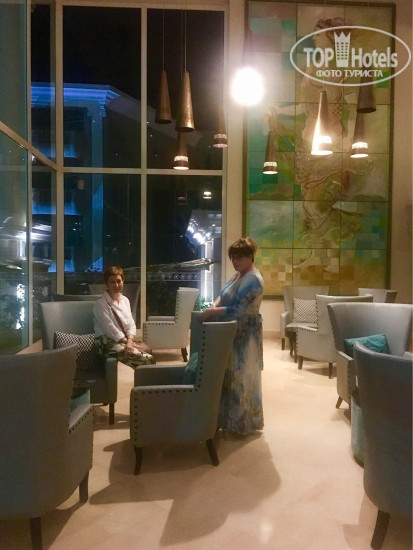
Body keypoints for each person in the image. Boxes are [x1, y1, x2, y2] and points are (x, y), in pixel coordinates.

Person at [197, 237, 264, 435]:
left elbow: (238, 310)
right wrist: (214, 305)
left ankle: (242, 425)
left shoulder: (253, 279)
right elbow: (223, 294)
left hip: (245, 335)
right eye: (233, 258)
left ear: (250, 256)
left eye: (239, 257)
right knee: (230, 376)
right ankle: (227, 420)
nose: (235, 261)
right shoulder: (238, 275)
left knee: (242, 378)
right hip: (232, 332)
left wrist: (212, 312)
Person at [93, 266, 155, 368]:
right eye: (112, 282)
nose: (116, 285)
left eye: (119, 281)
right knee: (148, 360)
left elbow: (131, 324)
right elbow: (110, 329)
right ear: (106, 284)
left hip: (124, 340)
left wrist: (130, 341)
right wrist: (131, 344)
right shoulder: (101, 304)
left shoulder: (125, 300)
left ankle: (141, 377)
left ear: (123, 281)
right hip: (106, 343)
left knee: (148, 350)